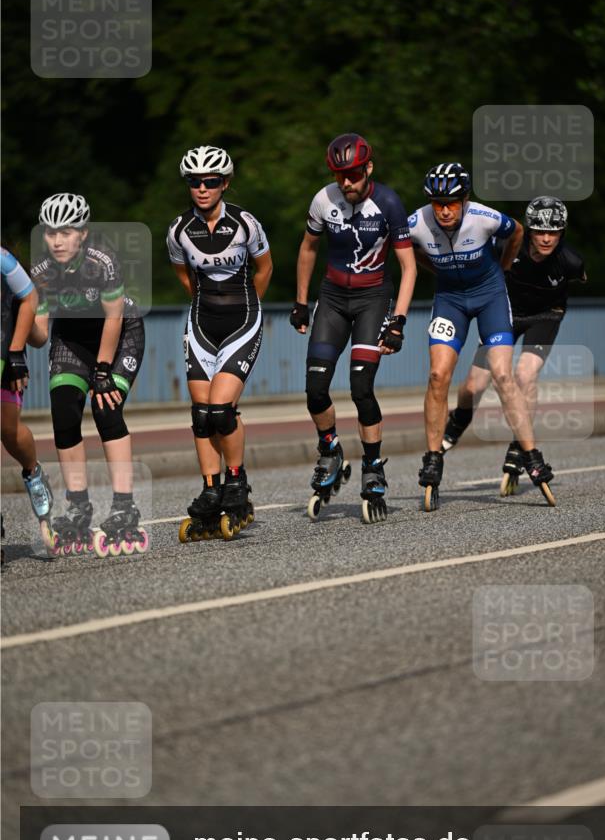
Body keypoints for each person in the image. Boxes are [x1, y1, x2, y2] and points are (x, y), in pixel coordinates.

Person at [408, 163, 555, 507]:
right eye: (437, 202)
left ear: (466, 200)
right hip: (450, 301)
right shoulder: (416, 224)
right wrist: (435, 269)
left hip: (489, 295)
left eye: (452, 202)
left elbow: (517, 232)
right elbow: (404, 252)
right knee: (437, 375)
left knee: (503, 375)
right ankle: (433, 459)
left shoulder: (485, 217)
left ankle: (531, 454)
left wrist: (503, 267)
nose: (444, 210)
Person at [291, 132, 416, 522]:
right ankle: (330, 450)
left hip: (372, 299)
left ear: (369, 169)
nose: (347, 183)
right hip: (331, 299)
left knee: (361, 387)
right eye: (340, 175)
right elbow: (308, 248)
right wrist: (300, 301)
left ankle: (374, 467)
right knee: (315, 390)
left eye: (354, 175)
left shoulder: (389, 203)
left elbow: (409, 267)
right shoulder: (322, 200)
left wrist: (398, 322)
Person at [27, 193, 147, 555]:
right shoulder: (41, 271)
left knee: (106, 408)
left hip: (120, 333)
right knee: (63, 413)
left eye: (66, 231)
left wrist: (103, 370)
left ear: (82, 232)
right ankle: (78, 506)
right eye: (50, 233)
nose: (58, 240)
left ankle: (125, 506)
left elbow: (113, 318)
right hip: (72, 338)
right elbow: (41, 333)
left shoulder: (103, 260)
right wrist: (19, 335)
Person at [443, 196, 586, 492]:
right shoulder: (504, 247)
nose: (546, 239)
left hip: (545, 317)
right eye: (539, 231)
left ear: (563, 232)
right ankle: (459, 421)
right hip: (504, 314)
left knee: (524, 375)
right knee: (473, 386)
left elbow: (578, 280)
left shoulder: (570, 262)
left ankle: (520, 445)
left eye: (554, 232)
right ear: (529, 231)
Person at [167, 145, 273, 540]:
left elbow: (264, 268)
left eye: (210, 181)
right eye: (194, 182)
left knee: (221, 410)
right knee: (200, 415)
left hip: (242, 320)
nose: (202, 188)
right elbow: (185, 278)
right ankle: (212, 490)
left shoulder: (245, 223)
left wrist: (250, 305)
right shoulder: (178, 230)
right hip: (201, 323)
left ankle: (236, 481)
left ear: (225, 183)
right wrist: (203, 305)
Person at [1, 246, 53, 559]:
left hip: (6, 354)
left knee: (7, 429)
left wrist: (16, 351)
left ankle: (33, 473)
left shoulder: (6, 263)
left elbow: (40, 337)